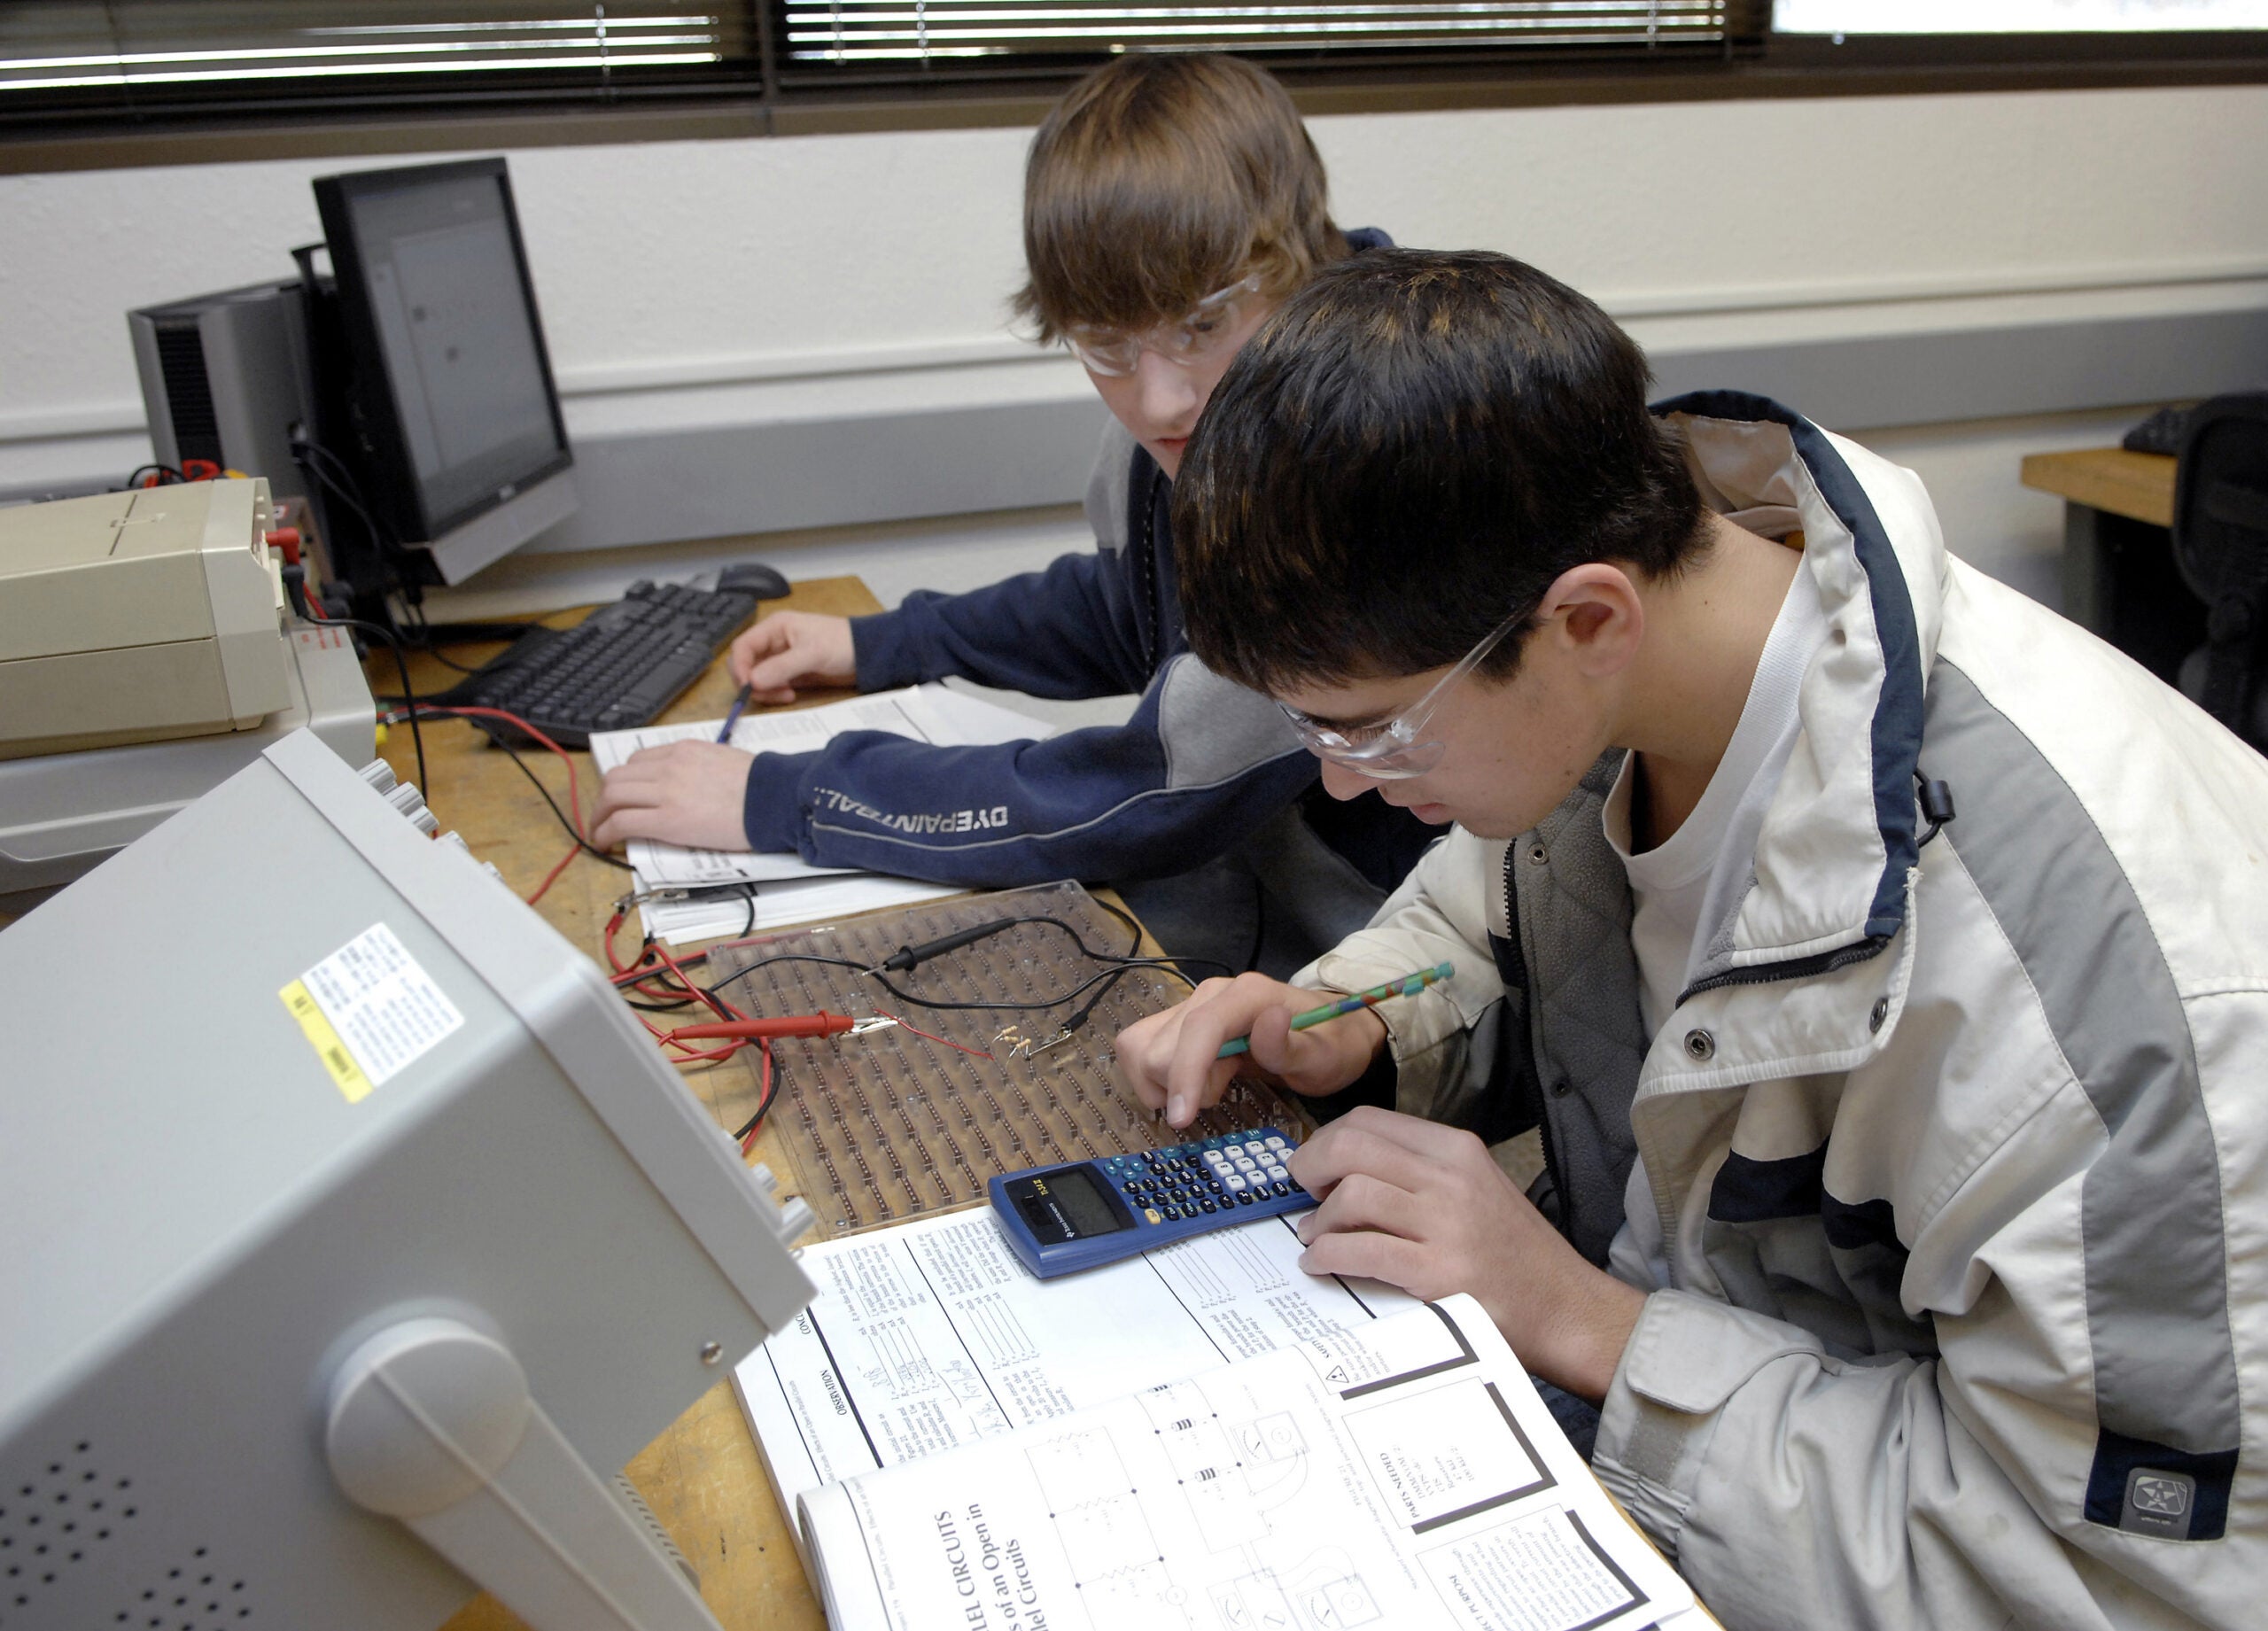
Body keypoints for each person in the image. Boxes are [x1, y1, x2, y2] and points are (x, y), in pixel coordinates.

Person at [1113, 247, 2267, 1628]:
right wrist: (1358, 1022)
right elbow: (1496, 908)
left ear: (1589, 617)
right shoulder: (1626, 678)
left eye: (1370, 729)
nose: (1344, 782)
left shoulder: (2090, 994)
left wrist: (1585, 1324)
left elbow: (2110, 1580)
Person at [590, 53, 1431, 975]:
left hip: (1380, 978)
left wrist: (794, 796)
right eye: (1106, 347)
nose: (1157, 402)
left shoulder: (1355, 457)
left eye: (1201, 325)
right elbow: (1120, 609)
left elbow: (1151, 786)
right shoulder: (1214, 417)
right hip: (1254, 917)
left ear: (1297, 260)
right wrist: (881, 642)